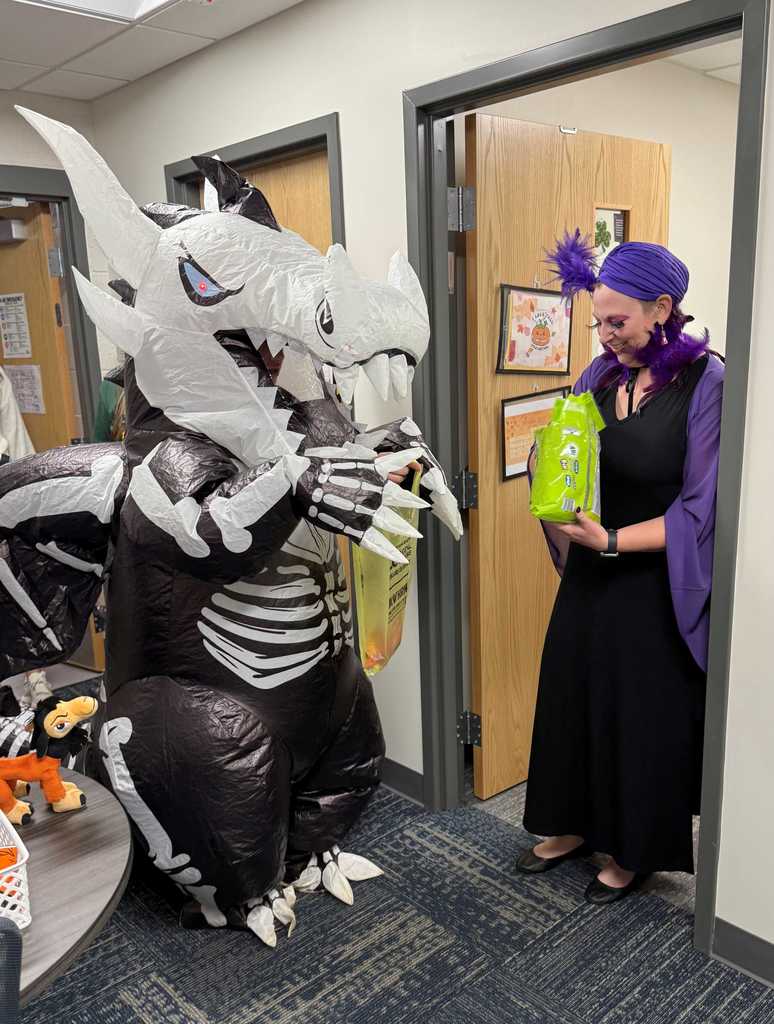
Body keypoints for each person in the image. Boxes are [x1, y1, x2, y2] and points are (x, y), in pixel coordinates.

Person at [517, 232, 724, 904]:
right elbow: (571, 459)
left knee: (641, 717)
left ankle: (634, 850)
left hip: (652, 576)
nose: (605, 335)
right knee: (574, 697)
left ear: (662, 308)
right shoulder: (599, 376)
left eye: (618, 321)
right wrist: (543, 474)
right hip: (591, 572)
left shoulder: (706, 383)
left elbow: (698, 509)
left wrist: (609, 540)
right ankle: (574, 825)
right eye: (598, 321)